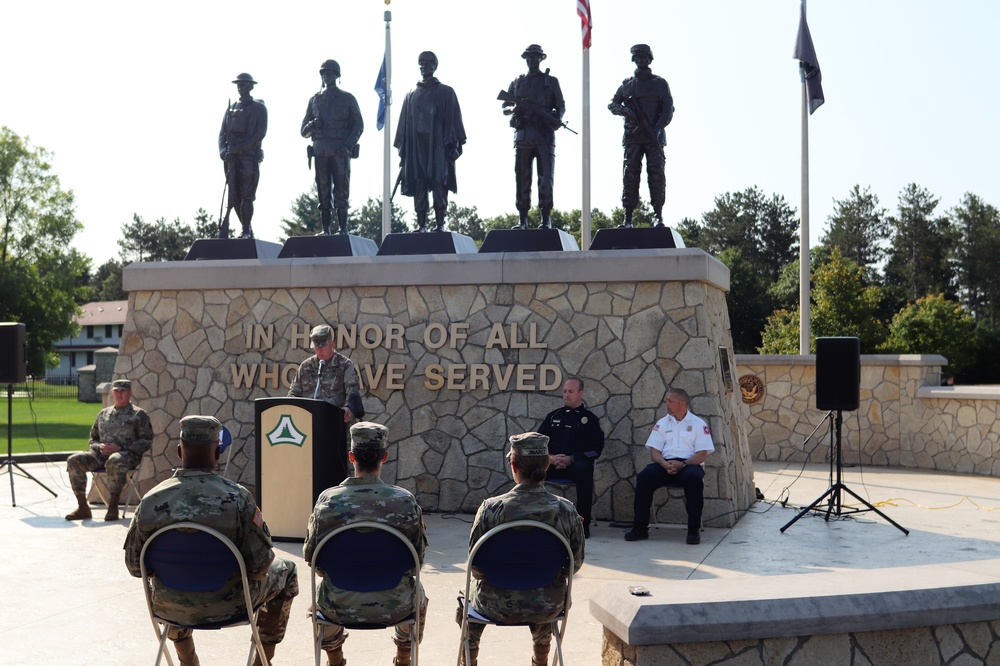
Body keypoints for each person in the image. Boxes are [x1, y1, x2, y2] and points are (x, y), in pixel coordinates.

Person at [124, 415, 298, 666]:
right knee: (288, 571)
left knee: (168, 581)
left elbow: (134, 566)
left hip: (170, 606)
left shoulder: (150, 501)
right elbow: (260, 567)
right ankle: (262, 661)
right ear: (218, 453)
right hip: (233, 605)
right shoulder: (239, 499)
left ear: (179, 451)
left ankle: (187, 660)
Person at [304, 421, 428, 666]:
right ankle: (404, 658)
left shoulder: (327, 502)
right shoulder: (404, 501)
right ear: (384, 457)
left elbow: (313, 560)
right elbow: (417, 561)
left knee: (320, 591)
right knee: (419, 594)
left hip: (338, 605)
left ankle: (335, 659)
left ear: (352, 457)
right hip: (396, 605)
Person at [459, 432, 585, 666]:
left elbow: (475, 568)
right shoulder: (566, 510)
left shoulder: (490, 509)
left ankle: (470, 659)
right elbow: (574, 565)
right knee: (546, 587)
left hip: (494, 604)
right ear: (548, 465)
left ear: (513, 464)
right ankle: (541, 660)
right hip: (547, 605)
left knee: (465, 598)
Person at [624, 387, 714, 545]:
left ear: (682, 403)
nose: (666, 404)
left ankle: (693, 529)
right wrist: (664, 464)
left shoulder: (698, 424)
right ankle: (640, 527)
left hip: (689, 464)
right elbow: (654, 451)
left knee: (694, 478)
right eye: (666, 400)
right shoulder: (662, 423)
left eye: (670, 401)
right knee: (645, 476)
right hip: (665, 464)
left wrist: (683, 464)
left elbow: (702, 454)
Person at [394, 51, 466, 233]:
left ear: (435, 66)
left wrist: (455, 146)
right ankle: (421, 224)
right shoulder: (411, 94)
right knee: (419, 183)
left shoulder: (446, 92)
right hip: (416, 148)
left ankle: (440, 224)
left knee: (438, 182)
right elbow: (403, 126)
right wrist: (404, 152)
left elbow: (454, 121)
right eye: (422, 63)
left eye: (429, 63)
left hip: (438, 147)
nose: (425, 67)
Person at [65, 378, 153, 521]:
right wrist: (99, 446)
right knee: (74, 460)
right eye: (116, 391)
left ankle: (113, 507)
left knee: (115, 459)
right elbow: (92, 439)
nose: (119, 394)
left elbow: (146, 441)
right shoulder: (103, 414)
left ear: (129, 393)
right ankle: (82, 507)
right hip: (100, 456)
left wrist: (121, 448)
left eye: (122, 391)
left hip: (126, 457)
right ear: (112, 393)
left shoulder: (138, 415)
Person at [608, 44, 674, 229]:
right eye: (637, 57)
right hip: (633, 137)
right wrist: (626, 111)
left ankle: (657, 215)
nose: (641, 59)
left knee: (656, 174)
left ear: (650, 59)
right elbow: (612, 104)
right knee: (630, 173)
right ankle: (628, 217)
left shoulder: (660, 83)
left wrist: (658, 128)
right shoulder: (627, 84)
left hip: (654, 137)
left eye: (644, 56)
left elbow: (668, 109)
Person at [501, 44, 566, 230]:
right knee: (522, 178)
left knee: (546, 178)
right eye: (529, 57)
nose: (532, 60)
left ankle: (545, 218)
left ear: (541, 59)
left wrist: (557, 118)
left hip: (545, 135)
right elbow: (505, 106)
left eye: (535, 57)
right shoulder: (517, 82)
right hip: (523, 136)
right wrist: (516, 109)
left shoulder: (551, 81)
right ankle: (523, 219)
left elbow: (561, 105)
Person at [301, 59, 364, 236]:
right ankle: (326, 229)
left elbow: (358, 125)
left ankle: (342, 228)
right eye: (324, 74)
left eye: (330, 73)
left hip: (339, 150)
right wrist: (313, 124)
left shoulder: (347, 98)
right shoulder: (315, 100)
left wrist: (347, 146)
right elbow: (303, 130)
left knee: (341, 189)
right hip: (320, 150)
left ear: (337, 76)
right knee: (323, 189)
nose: (327, 76)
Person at [537, 377, 604, 538]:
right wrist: (551, 458)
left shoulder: (590, 420)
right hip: (552, 464)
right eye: (565, 391)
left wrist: (572, 458)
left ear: (581, 393)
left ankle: (582, 524)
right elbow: (538, 443)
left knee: (585, 470)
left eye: (571, 392)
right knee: (532, 469)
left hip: (576, 466)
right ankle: (534, 519)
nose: (566, 395)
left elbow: (596, 450)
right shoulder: (553, 417)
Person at [218, 73, 268, 239]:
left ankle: (246, 230)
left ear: (251, 86)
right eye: (239, 85)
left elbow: (260, 133)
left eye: (245, 85)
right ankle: (246, 229)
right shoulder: (231, 108)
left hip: (248, 158)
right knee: (234, 196)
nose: (241, 87)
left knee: (247, 196)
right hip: (231, 159)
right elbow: (222, 134)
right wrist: (224, 152)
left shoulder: (259, 108)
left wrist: (241, 149)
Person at [288, 324, 363, 424]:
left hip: (338, 423)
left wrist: (348, 408)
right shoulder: (305, 366)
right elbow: (293, 394)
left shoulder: (345, 365)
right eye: (316, 347)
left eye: (323, 346)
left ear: (332, 344)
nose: (320, 350)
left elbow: (352, 391)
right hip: (310, 423)